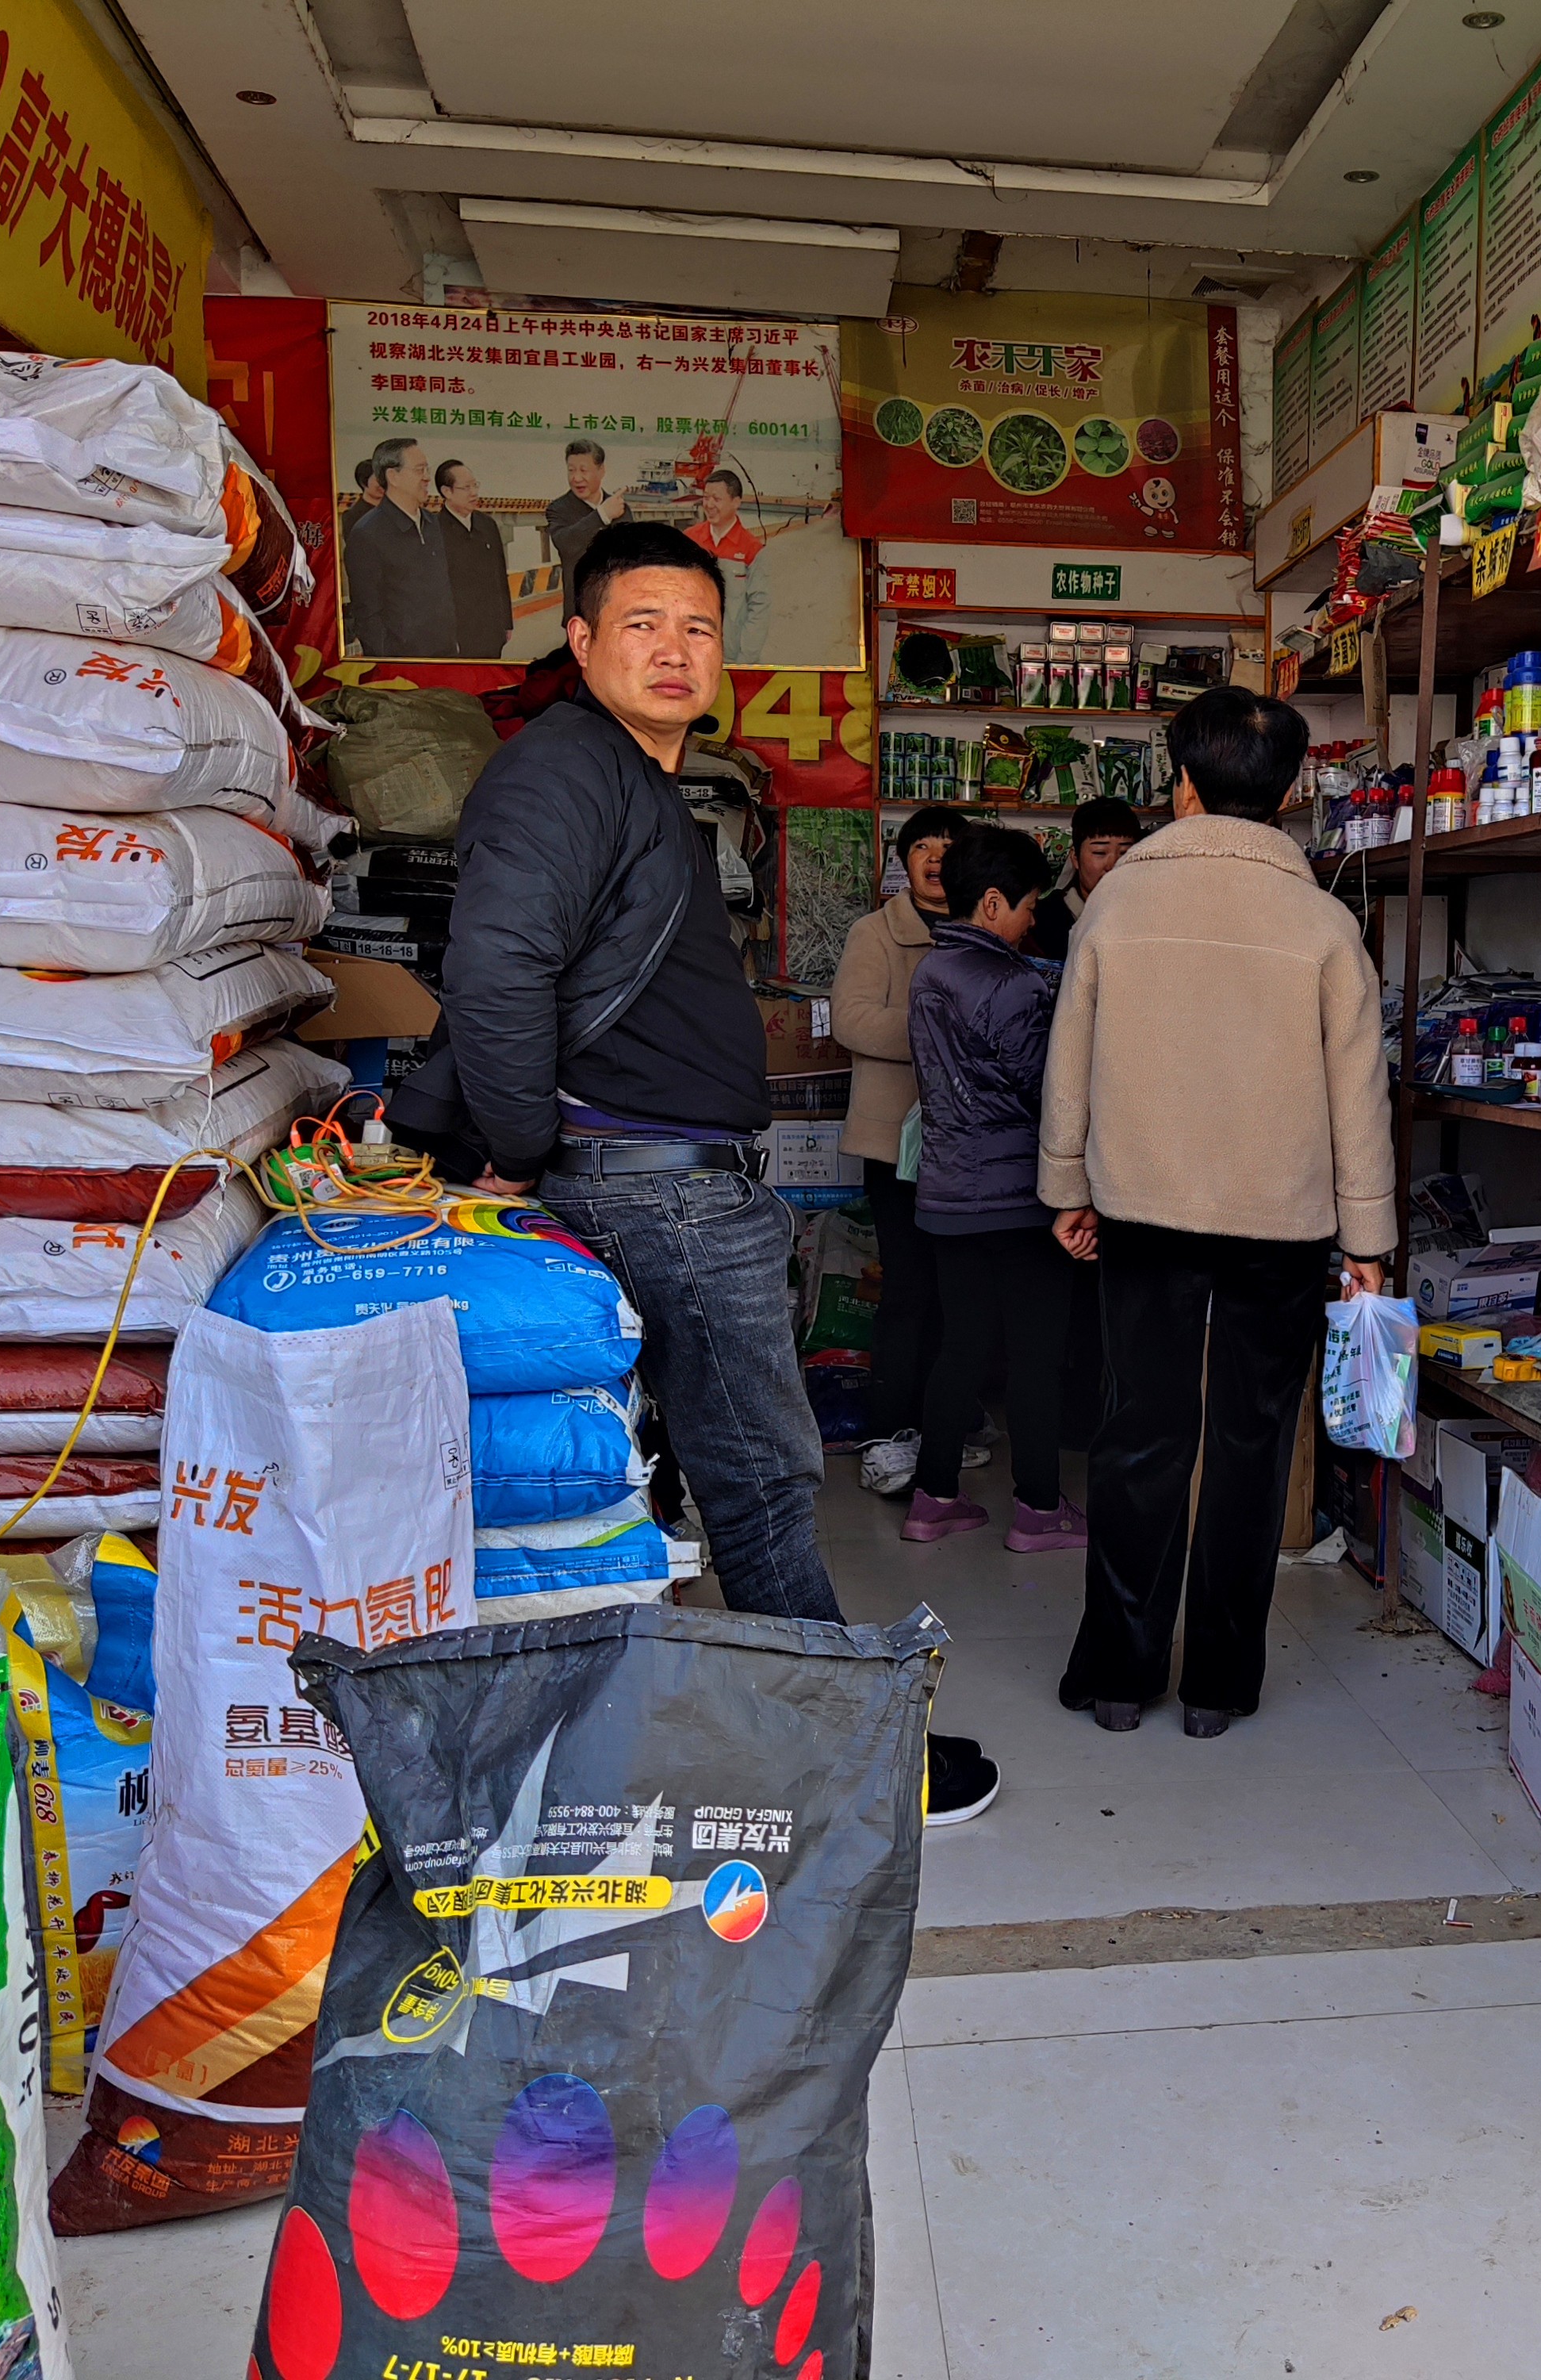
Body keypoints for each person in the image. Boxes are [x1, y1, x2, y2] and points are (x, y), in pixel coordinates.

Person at [388, 517, 996, 1825]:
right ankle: (848, 1766)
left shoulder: (631, 779)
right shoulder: (562, 772)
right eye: (643, 623)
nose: (674, 650)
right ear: (583, 638)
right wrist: (528, 1149)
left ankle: (723, 1737)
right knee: (765, 1480)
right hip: (643, 1180)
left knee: (714, 1480)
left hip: (662, 1174)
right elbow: (497, 969)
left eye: (699, 627)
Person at [1039, 688, 1394, 1739]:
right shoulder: (1326, 923)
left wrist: (1067, 1185)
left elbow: (1071, 1057)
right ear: (1286, 797)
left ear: (1182, 785)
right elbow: (1357, 1095)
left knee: (1138, 1435)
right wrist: (1368, 1240)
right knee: (1249, 1444)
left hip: (1140, 1207)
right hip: (1281, 1223)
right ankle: (1219, 1687)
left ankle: (1118, 1675)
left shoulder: (1116, 905)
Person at [903, 826, 1090, 1553]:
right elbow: (1049, 1090)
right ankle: (1039, 1509)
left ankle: (934, 1497)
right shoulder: (1012, 986)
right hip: (1016, 1197)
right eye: (1026, 906)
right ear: (990, 902)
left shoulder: (930, 973)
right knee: (1038, 1355)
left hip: (948, 1194)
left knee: (961, 1346)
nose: (1032, 919)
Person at [832, 804, 983, 1499]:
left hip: (968, 1144)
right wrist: (940, 1028)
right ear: (904, 859)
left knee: (959, 1293)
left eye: (947, 847)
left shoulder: (982, 930)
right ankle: (887, 1433)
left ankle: (943, 1425)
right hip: (896, 1144)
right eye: (922, 845)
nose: (934, 857)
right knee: (907, 1289)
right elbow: (852, 1019)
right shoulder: (875, 932)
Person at [343, 436, 457, 658]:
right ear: (392, 477)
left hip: (446, 654)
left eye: (427, 469)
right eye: (419, 470)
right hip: (403, 664)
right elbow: (367, 614)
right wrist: (388, 663)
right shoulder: (367, 533)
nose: (427, 478)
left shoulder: (433, 524)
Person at [1027, 795, 1140, 963]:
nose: (1112, 866)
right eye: (1100, 853)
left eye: (1124, 853)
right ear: (1075, 857)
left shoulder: (1146, 918)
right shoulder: (1041, 921)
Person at [685, 466, 770, 664]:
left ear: (736, 502)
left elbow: (759, 608)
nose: (709, 505)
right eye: (706, 498)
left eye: (717, 499)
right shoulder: (689, 539)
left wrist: (746, 660)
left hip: (731, 657)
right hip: (689, 654)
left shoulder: (752, 550)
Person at [435, 459, 515, 658]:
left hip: (492, 629)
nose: (474, 493)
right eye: (466, 487)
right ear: (447, 492)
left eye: (475, 485)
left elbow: (500, 575)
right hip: (459, 634)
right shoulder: (434, 531)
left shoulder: (487, 524)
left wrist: (506, 622)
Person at [544, 437, 626, 587]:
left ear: (601, 471)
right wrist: (602, 515)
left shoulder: (621, 509)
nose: (576, 478)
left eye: (583, 470)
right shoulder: (558, 509)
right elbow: (566, 545)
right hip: (578, 605)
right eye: (571, 471)